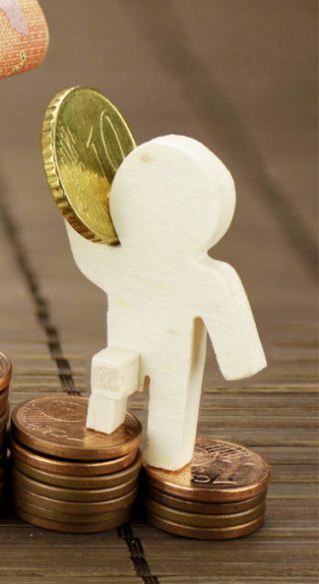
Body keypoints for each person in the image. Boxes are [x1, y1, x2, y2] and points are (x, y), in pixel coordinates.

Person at [69, 135, 267, 471]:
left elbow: (233, 334)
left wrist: (239, 362)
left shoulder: (208, 279)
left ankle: (164, 462)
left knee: (170, 416)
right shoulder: (123, 259)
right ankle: (99, 461)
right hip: (121, 350)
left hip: (173, 361)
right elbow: (88, 253)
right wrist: (75, 202)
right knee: (107, 389)